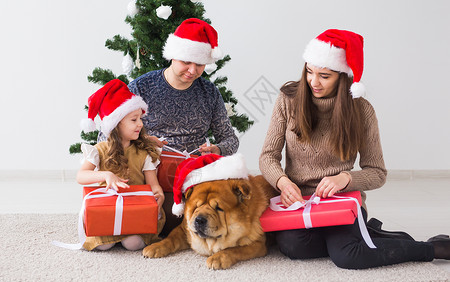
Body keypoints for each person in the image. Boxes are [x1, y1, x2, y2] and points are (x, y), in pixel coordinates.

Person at [259, 29, 450, 269]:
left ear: (342, 76)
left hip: (340, 202)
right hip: (299, 202)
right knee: (292, 246)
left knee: (348, 256)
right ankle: (365, 235)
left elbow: (378, 173)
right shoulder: (288, 99)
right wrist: (283, 183)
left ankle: (432, 248)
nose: (313, 82)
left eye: (324, 76)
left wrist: (344, 178)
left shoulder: (362, 111)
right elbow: (268, 156)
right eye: (309, 71)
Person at [128, 18, 238, 156]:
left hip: (196, 170)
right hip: (149, 169)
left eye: (199, 64)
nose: (192, 70)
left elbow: (230, 139)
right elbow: (109, 137)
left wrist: (218, 150)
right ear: (173, 56)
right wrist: (142, 142)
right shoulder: (140, 87)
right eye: (186, 62)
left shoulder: (209, 92)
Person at [77, 79, 165, 251]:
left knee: (132, 244)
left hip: (136, 208)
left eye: (140, 119)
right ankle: (113, 234)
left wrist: (158, 195)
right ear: (116, 125)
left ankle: (126, 233)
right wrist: (105, 175)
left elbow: (154, 185)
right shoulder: (100, 150)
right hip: (108, 210)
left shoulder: (143, 153)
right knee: (104, 245)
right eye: (134, 120)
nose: (140, 124)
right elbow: (81, 176)